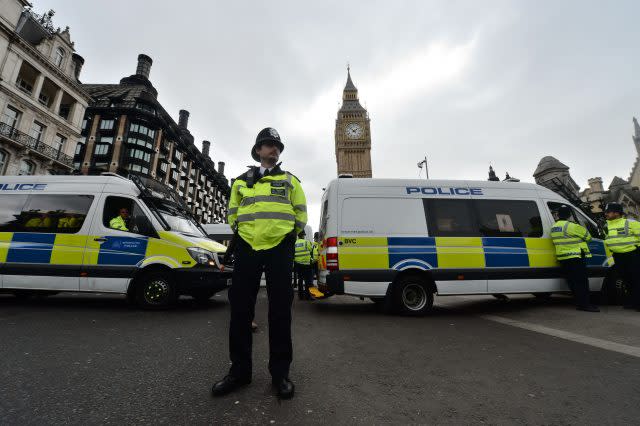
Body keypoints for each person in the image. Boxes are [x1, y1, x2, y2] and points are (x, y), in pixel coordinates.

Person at [212, 127, 307, 400]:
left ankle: (280, 374)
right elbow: (232, 212)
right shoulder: (241, 182)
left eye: (277, 146)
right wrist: (242, 234)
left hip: (279, 248)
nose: (273, 149)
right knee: (240, 310)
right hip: (247, 247)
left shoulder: (291, 181)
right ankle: (239, 372)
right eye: (268, 145)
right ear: (257, 151)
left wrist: (290, 235)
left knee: (280, 311)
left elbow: (300, 212)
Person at [550, 205, 599, 312]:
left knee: (572, 282)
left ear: (558, 215)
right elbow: (588, 237)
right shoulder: (572, 226)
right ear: (569, 215)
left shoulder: (554, 227)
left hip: (563, 258)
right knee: (581, 282)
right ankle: (585, 305)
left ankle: (579, 303)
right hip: (575, 257)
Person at [603, 202, 640, 310]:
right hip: (618, 256)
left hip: (632, 255)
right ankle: (632, 302)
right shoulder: (606, 225)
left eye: (608, 212)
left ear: (617, 213)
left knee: (636, 279)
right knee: (626, 279)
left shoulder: (630, 223)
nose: (606, 214)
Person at [294, 231, 313, 300]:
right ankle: (308, 296)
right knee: (308, 281)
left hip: (298, 264)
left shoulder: (294, 243)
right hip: (306, 264)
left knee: (300, 280)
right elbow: (311, 250)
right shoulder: (306, 242)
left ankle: (300, 296)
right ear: (303, 235)